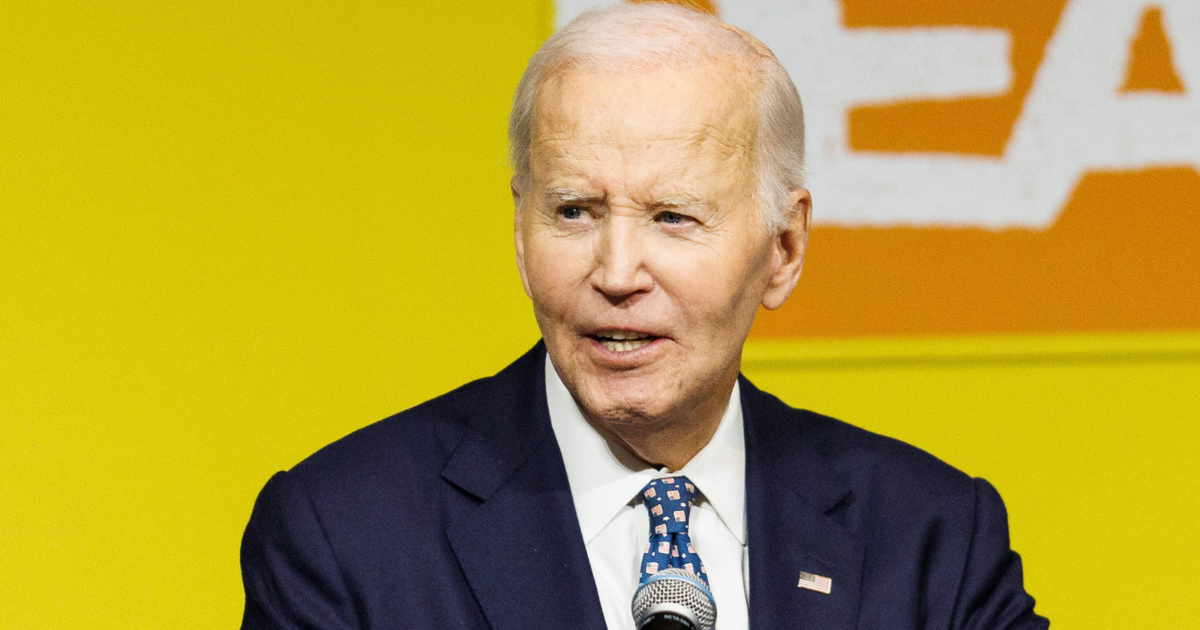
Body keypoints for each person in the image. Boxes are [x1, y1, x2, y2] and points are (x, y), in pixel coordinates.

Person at [239, 4, 1048, 629]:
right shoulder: (344, 536)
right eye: (574, 211)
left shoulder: (933, 540)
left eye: (673, 217)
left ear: (785, 249)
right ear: (521, 233)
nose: (618, 273)